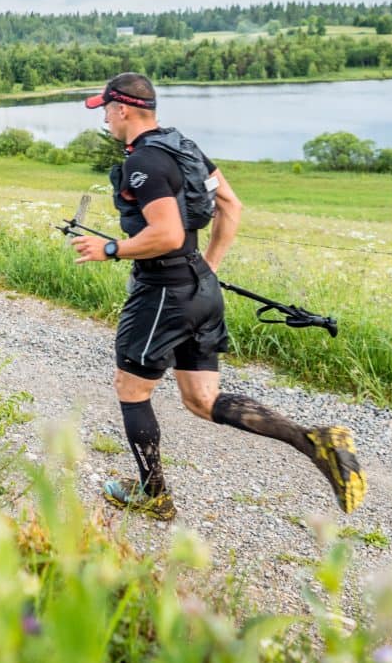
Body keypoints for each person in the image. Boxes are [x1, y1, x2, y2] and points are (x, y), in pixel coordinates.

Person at [70, 72, 366, 520]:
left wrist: (111, 248)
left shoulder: (143, 162)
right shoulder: (183, 148)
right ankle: (315, 442)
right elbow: (230, 203)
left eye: (106, 110)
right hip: (199, 289)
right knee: (201, 400)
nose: (106, 119)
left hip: (163, 293)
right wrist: (209, 265)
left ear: (123, 109)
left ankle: (155, 496)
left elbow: (167, 234)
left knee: (130, 390)